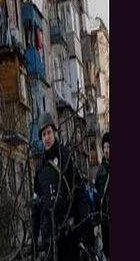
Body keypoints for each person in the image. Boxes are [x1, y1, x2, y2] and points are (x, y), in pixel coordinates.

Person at [32, 112, 91, 261]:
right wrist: (34, 236)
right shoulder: (40, 167)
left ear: (54, 133)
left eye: (49, 133)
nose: (46, 137)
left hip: (68, 233)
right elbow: (36, 203)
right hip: (49, 237)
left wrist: (84, 232)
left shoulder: (66, 158)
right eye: (43, 134)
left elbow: (80, 193)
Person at [93, 132, 110, 259]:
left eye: (109, 147)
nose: (106, 150)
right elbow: (96, 199)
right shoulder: (100, 171)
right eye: (104, 147)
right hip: (105, 220)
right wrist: (96, 223)